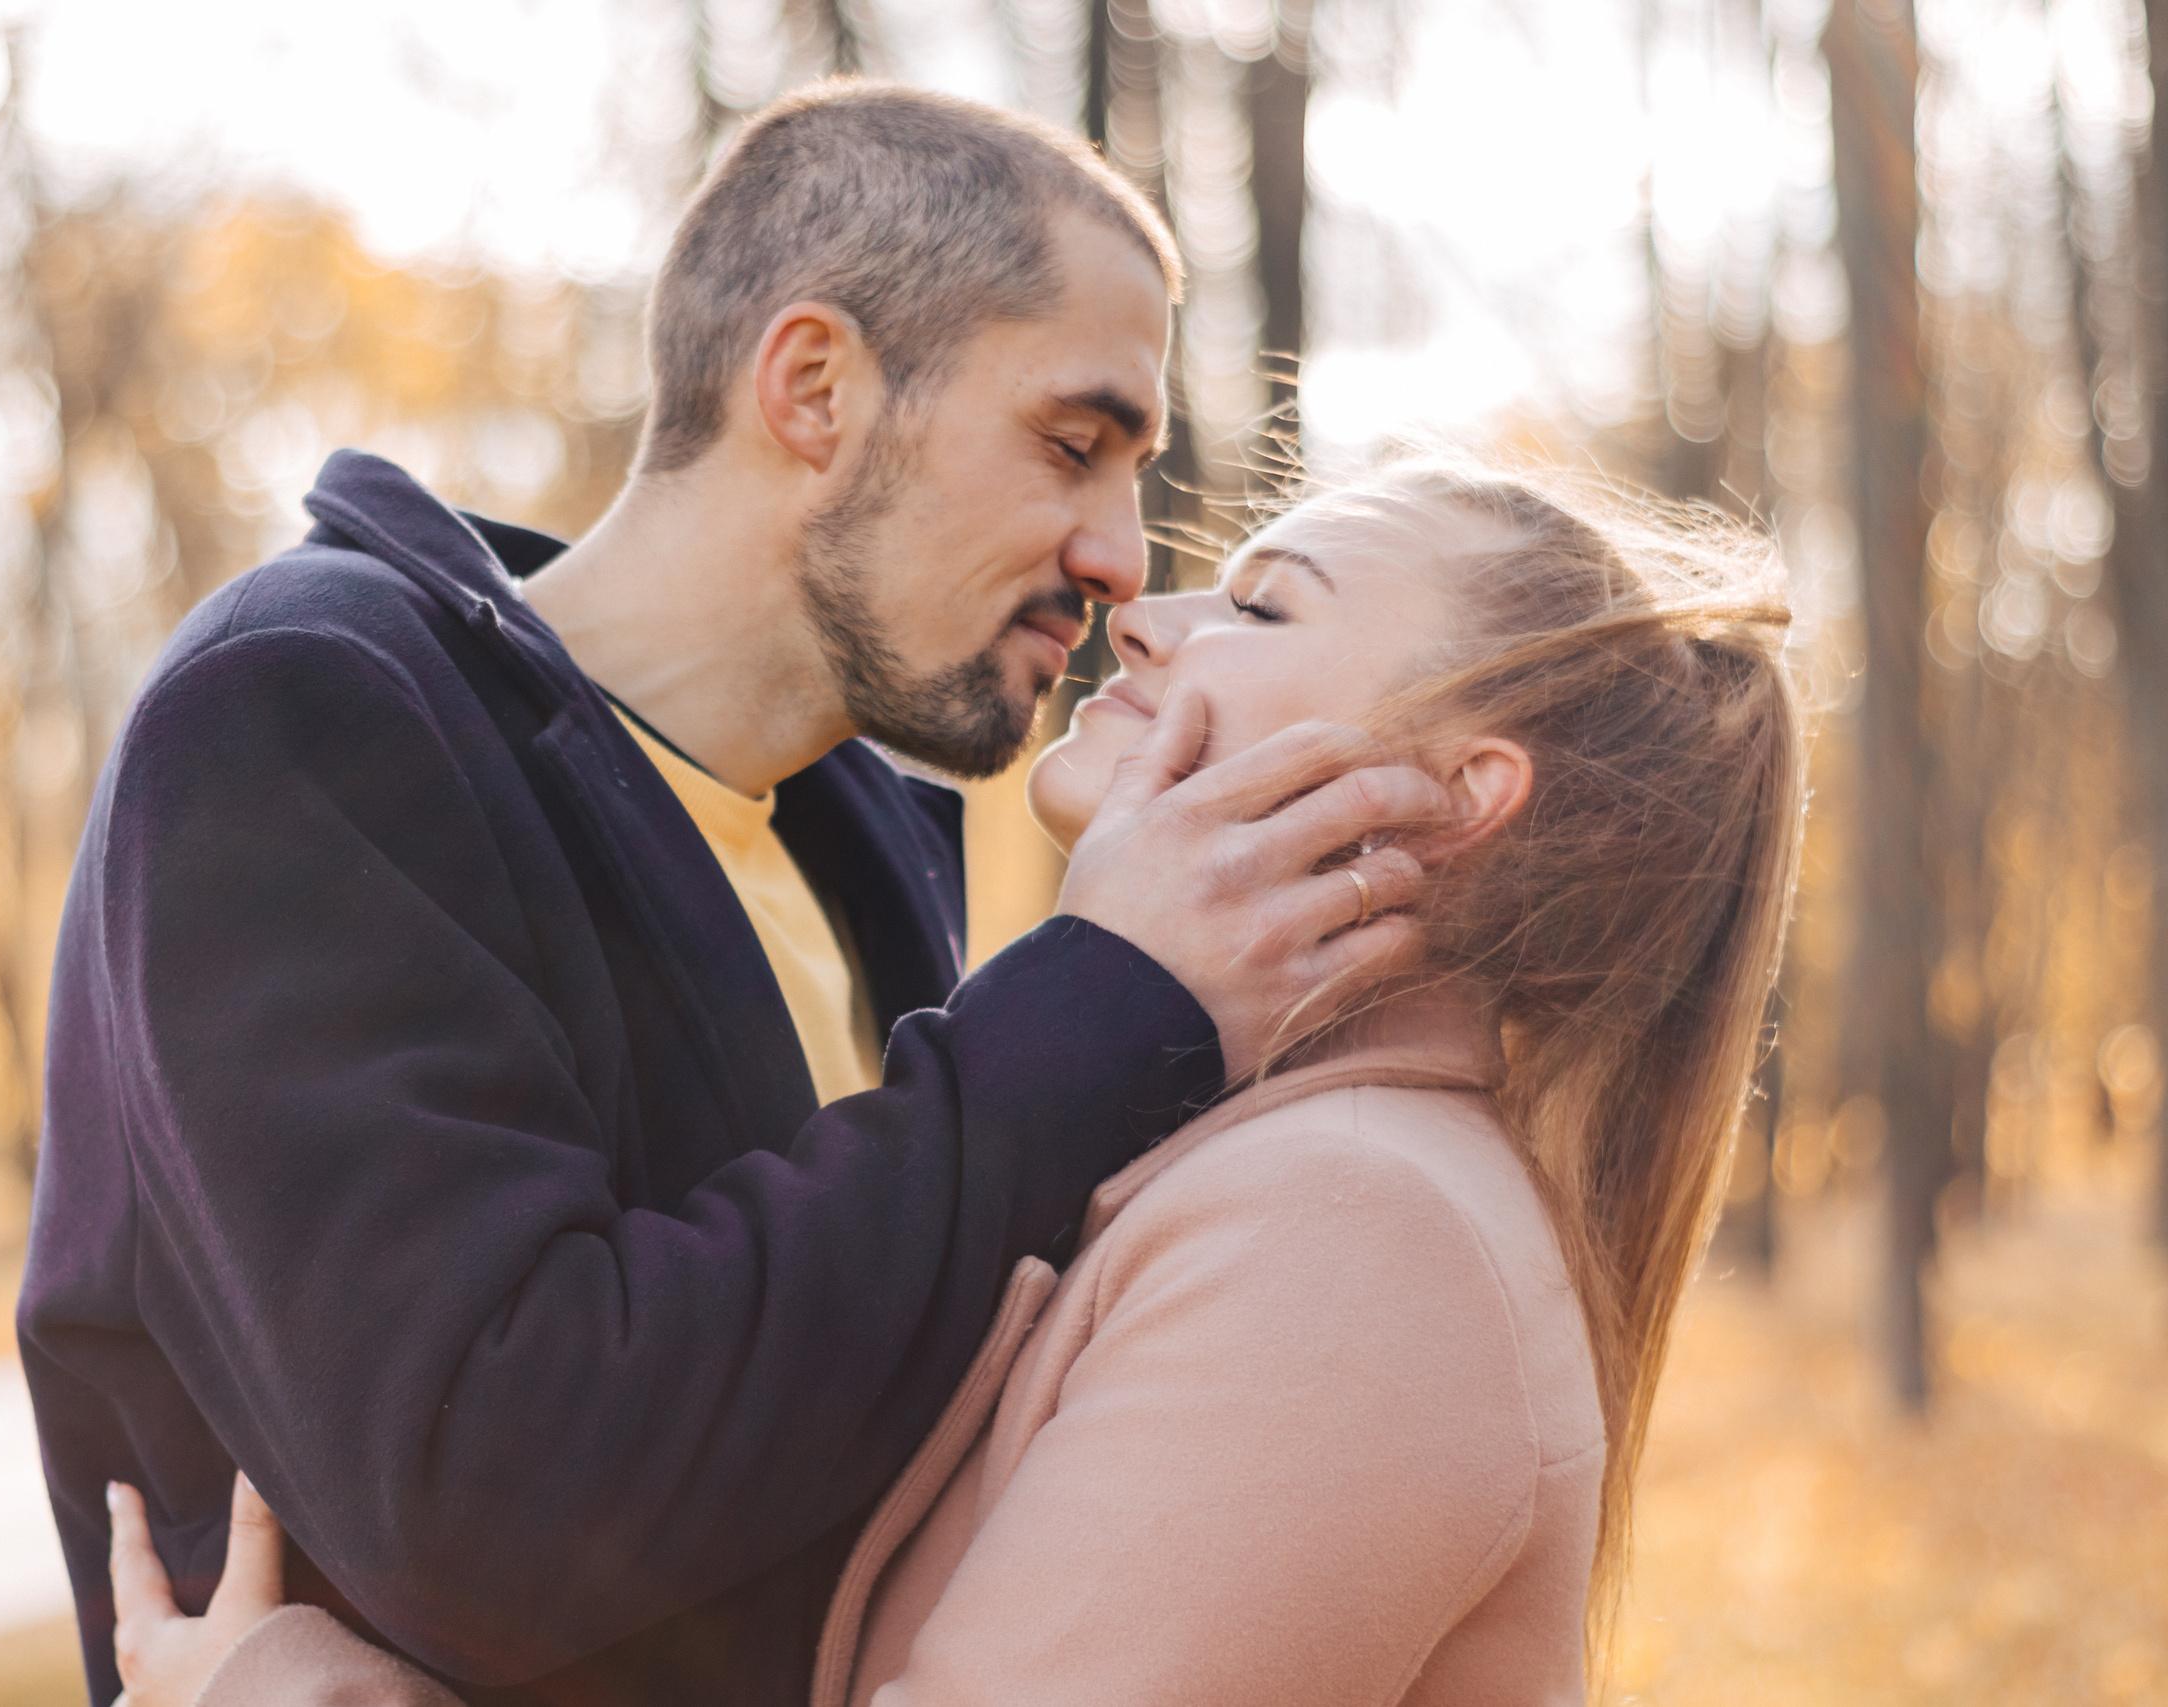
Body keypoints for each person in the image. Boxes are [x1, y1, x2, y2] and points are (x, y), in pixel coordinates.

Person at [20, 81, 1441, 1707]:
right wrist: (1093, 1004)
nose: (1124, 556)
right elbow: (493, 1499)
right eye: (1072, 444)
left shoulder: (874, 839)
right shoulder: (307, 715)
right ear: (816, 387)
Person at [102, 457, 1806, 1706]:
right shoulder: (1243, 1172)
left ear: (1457, 794)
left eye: (1267, 604)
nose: (1146, 612)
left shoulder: (1357, 1238)